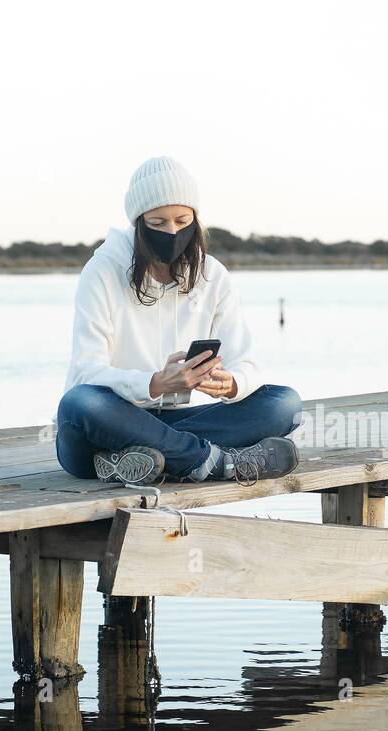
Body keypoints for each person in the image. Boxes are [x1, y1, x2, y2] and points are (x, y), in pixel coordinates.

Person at [55, 156, 302, 487]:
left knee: (283, 404)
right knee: (79, 402)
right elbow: (88, 371)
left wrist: (230, 384)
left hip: (177, 424)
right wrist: (156, 383)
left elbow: (248, 364)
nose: (172, 232)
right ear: (139, 222)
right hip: (107, 424)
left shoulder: (212, 275)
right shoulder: (101, 272)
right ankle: (218, 462)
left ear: (195, 220)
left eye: (182, 220)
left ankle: (137, 461)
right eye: (158, 223)